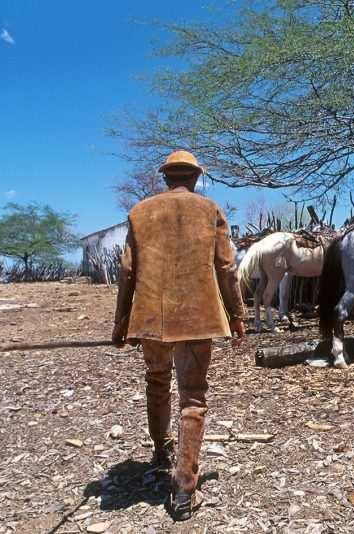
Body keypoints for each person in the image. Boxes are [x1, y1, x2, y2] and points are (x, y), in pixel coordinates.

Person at [112, 150, 246, 521]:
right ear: (196, 177)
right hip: (197, 318)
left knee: (156, 381)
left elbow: (126, 272)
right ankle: (185, 489)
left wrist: (121, 321)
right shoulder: (210, 210)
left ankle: (161, 451)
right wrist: (238, 315)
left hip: (151, 318)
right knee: (193, 396)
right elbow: (227, 267)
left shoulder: (141, 213)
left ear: (166, 177)